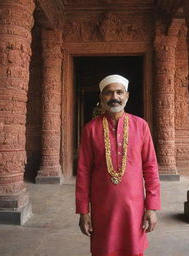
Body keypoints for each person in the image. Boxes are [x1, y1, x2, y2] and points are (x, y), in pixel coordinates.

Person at [75, 74, 161, 256]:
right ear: (101, 98)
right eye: (109, 93)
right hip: (102, 207)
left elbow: (151, 168)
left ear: (127, 96)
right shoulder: (90, 129)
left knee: (133, 249)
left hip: (134, 207)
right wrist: (83, 212)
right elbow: (83, 172)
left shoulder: (141, 126)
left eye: (119, 92)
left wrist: (151, 208)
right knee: (104, 250)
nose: (115, 97)